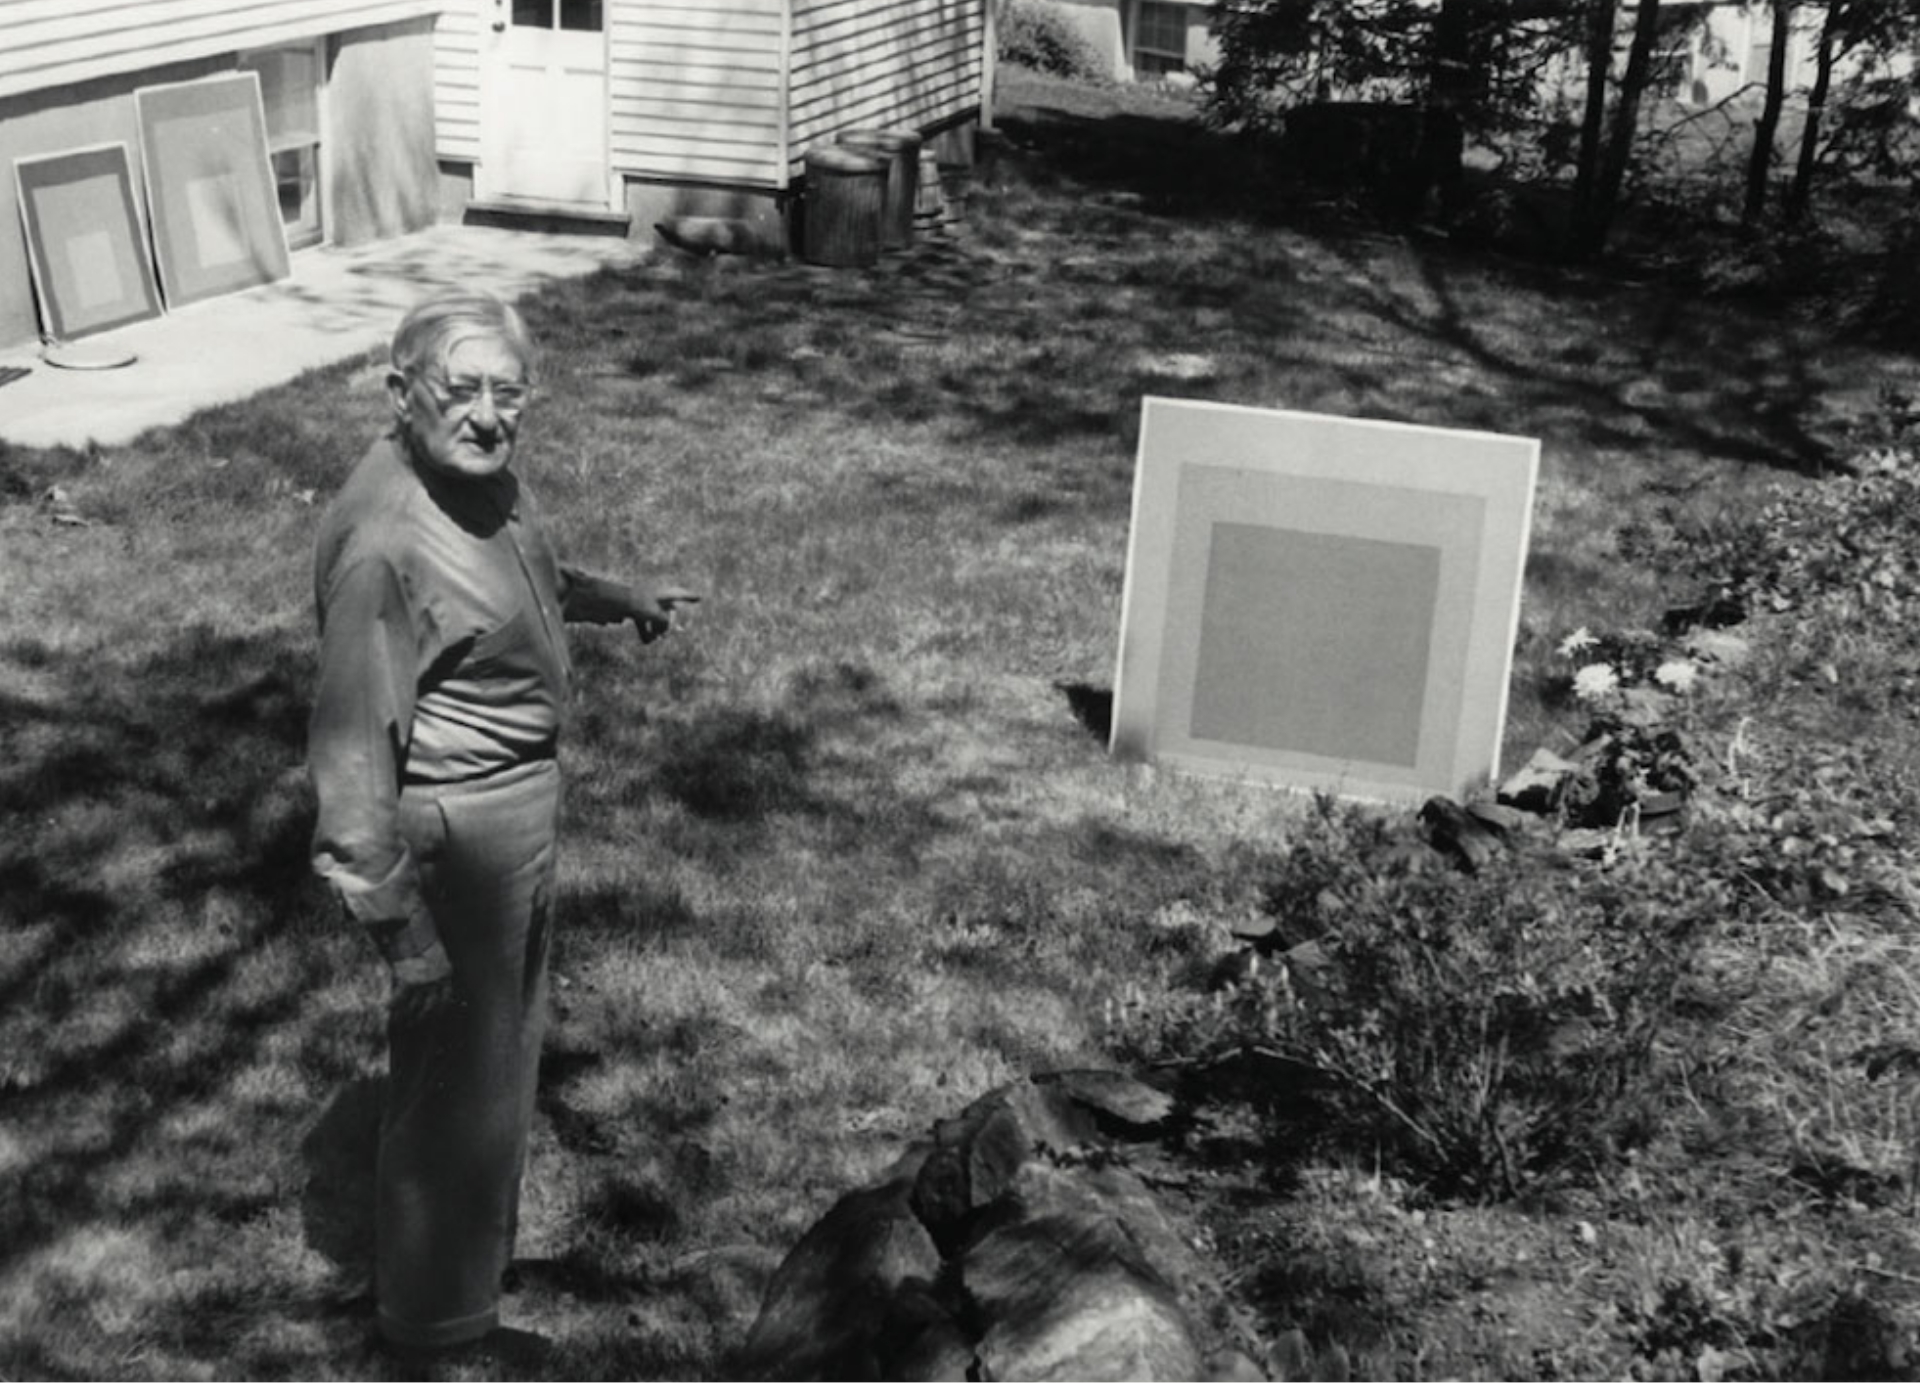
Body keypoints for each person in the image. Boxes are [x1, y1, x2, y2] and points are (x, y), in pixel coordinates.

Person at [306, 290, 697, 1357]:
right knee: (453, 1088)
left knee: (494, 1071)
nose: (488, 415)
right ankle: (433, 1330)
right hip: (459, 837)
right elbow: (351, 759)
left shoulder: (474, 483)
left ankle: (464, 1282)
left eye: (509, 392)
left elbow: (519, 582)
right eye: (462, 389)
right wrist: (404, 931)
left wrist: (616, 597)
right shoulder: (387, 541)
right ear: (400, 393)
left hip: (516, 812)